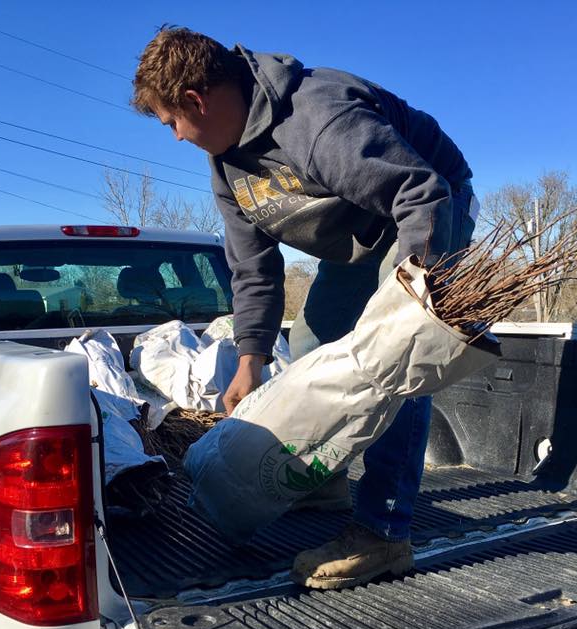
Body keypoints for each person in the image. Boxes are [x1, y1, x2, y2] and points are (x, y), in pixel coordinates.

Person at [133, 26, 477, 589]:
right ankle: (326, 479)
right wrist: (249, 359)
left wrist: (417, 302)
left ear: (196, 100)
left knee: (396, 361)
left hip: (428, 206)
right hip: (361, 232)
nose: (174, 136)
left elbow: (421, 193)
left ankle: (384, 533)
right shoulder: (227, 167)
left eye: (171, 121)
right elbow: (254, 269)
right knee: (316, 341)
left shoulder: (316, 118)